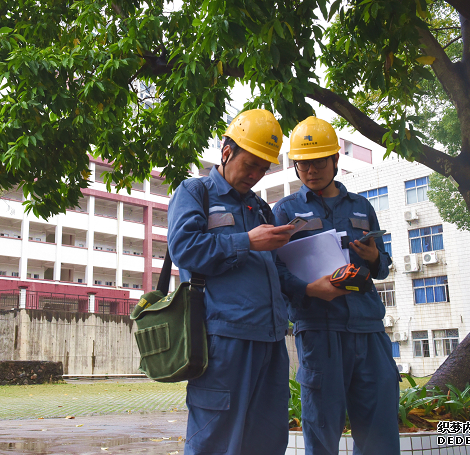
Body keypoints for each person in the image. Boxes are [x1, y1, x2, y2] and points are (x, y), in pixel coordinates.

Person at [167, 109, 295, 455]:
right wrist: (247, 241)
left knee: (267, 442)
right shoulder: (196, 192)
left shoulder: (259, 207)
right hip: (224, 341)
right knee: (215, 442)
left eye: (262, 170)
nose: (255, 175)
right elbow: (185, 249)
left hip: (270, 341)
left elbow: (275, 270)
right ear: (227, 152)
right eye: (249, 165)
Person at [273, 117, 400, 455]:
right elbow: (274, 271)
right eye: (302, 164)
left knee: (380, 433)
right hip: (319, 332)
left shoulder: (361, 207)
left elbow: (383, 267)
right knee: (322, 430)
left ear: (335, 160)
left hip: (369, 330)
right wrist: (310, 289)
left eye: (317, 162)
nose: (309, 171)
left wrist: (374, 258)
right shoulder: (285, 210)